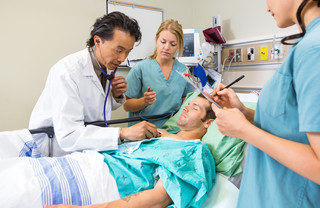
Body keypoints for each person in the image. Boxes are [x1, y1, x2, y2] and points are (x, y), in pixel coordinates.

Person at [211, 0, 320, 207]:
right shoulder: (318, 42)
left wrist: (244, 131)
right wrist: (245, 114)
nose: (266, 6)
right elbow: (295, 126)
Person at [2, 95, 216, 208]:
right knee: (15, 170)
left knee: (17, 192)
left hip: (101, 182)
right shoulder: (157, 134)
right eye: (188, 103)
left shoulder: (195, 152)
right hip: (84, 162)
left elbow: (159, 199)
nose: (186, 107)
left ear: (208, 123)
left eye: (195, 107)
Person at [29, 11, 160, 157]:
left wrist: (115, 96)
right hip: (55, 149)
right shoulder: (67, 72)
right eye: (119, 50)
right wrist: (122, 132)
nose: (122, 58)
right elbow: (69, 135)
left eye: (127, 52)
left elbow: (96, 106)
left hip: (87, 146)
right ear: (97, 41)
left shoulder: (103, 66)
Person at [123, 19, 193, 128]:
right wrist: (144, 101)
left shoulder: (183, 71)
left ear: (179, 45)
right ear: (156, 40)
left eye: (173, 44)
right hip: (143, 131)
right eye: (163, 42)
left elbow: (186, 104)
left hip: (172, 132)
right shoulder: (141, 68)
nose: (166, 47)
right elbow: (126, 105)